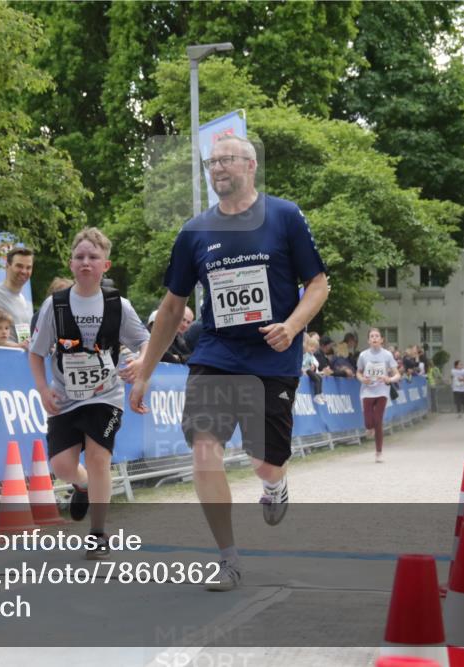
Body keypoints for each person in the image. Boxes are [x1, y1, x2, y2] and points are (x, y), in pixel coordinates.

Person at [129, 134, 328, 592]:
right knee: (204, 446)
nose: (217, 167)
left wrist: (292, 326)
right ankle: (228, 558)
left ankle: (274, 485)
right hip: (216, 353)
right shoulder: (195, 231)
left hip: (273, 355)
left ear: (251, 165)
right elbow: (173, 307)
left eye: (227, 160)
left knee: (264, 463)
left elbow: (318, 284)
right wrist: (145, 372)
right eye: (211, 162)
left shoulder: (284, 215)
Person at [28, 228, 149, 561]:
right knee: (61, 466)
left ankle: (98, 533)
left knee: (98, 457)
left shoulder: (118, 305)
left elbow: (146, 341)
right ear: (71, 264)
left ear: (105, 265)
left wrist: (141, 362)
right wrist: (42, 389)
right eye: (79, 257)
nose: (86, 262)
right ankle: (80, 484)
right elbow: (35, 353)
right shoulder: (55, 305)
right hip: (66, 397)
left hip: (105, 395)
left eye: (93, 257)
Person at [357, 328, 401, 463]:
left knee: (378, 421)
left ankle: (379, 452)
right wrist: (362, 379)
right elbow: (358, 372)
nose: (374, 338)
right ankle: (369, 428)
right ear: (368, 340)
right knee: (368, 423)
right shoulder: (363, 355)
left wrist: (389, 379)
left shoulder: (387, 355)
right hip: (367, 391)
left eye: (377, 336)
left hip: (382, 391)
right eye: (372, 336)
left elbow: (397, 374)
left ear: (382, 340)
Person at [302, 335, 326, 404]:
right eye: (311, 346)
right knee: (317, 379)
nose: (313, 349)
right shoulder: (306, 355)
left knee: (320, 378)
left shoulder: (311, 356)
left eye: (315, 348)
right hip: (306, 370)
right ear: (307, 346)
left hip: (309, 370)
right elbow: (303, 363)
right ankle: (316, 395)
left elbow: (313, 364)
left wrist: (313, 366)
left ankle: (320, 393)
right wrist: (307, 368)